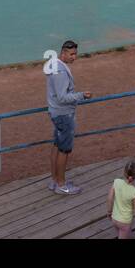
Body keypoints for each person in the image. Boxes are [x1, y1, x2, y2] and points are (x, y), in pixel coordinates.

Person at [46, 40, 91, 194]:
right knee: (64, 149)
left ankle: (55, 180)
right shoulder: (61, 71)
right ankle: (61, 185)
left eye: (75, 54)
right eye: (72, 54)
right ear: (63, 53)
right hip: (64, 115)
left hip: (57, 113)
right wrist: (81, 95)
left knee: (57, 146)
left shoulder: (55, 66)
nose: (74, 57)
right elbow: (62, 97)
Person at [108, 161, 135, 239]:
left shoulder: (116, 182)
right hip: (124, 223)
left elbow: (110, 198)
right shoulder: (134, 192)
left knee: (121, 235)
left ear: (124, 172)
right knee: (124, 234)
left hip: (114, 218)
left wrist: (109, 211)